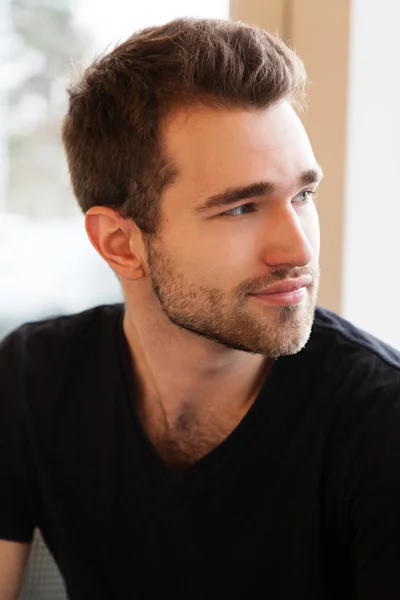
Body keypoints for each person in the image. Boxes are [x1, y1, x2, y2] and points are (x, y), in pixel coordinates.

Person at [0, 16, 399, 600]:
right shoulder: (32, 380)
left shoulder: (380, 424)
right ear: (120, 243)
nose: (300, 249)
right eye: (241, 208)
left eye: (302, 195)